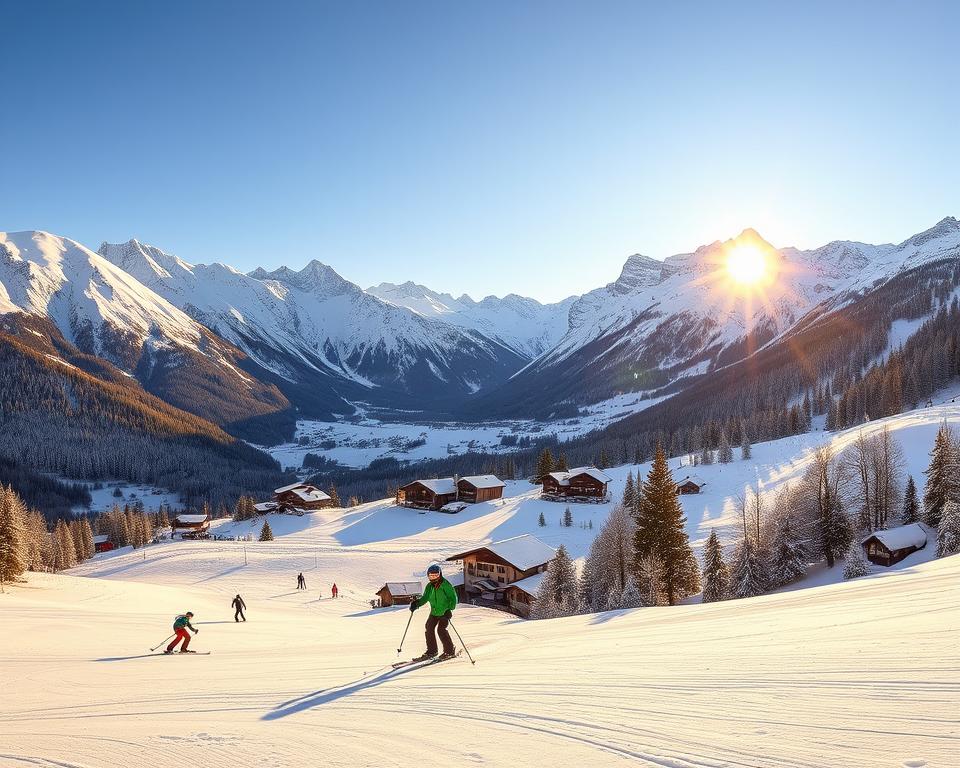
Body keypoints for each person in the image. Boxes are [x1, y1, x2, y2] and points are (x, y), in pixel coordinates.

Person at [409, 563, 458, 661]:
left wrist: (450, 609)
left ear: (440, 575)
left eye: (436, 575)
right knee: (429, 628)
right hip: (434, 612)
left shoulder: (445, 585)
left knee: (441, 630)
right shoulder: (429, 587)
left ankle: (449, 651)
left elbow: (453, 598)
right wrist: (416, 604)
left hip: (444, 612)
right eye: (431, 576)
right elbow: (425, 598)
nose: (434, 577)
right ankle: (432, 651)